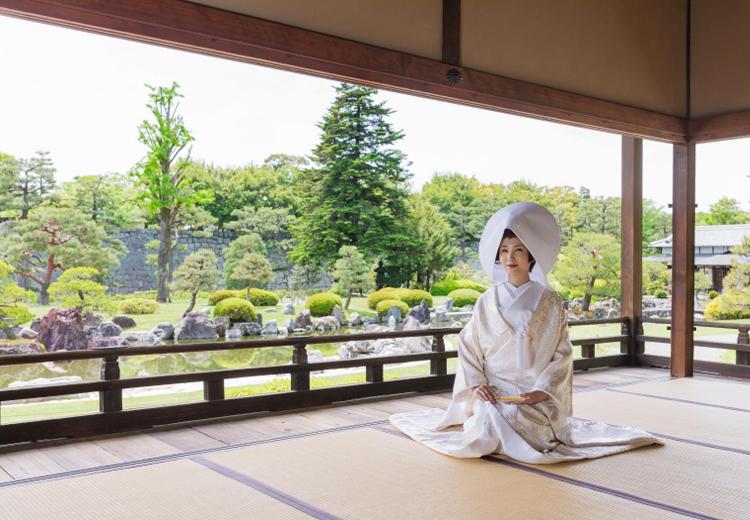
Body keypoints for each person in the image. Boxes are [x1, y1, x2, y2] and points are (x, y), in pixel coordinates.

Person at [390, 202, 661, 463]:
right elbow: (469, 344)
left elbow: (561, 353)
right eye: (504, 250)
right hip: (494, 392)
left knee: (531, 434)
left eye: (518, 250)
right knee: (489, 422)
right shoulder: (487, 299)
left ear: (531, 255)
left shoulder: (550, 300)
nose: (510, 257)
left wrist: (543, 391)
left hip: (534, 394)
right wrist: (476, 385)